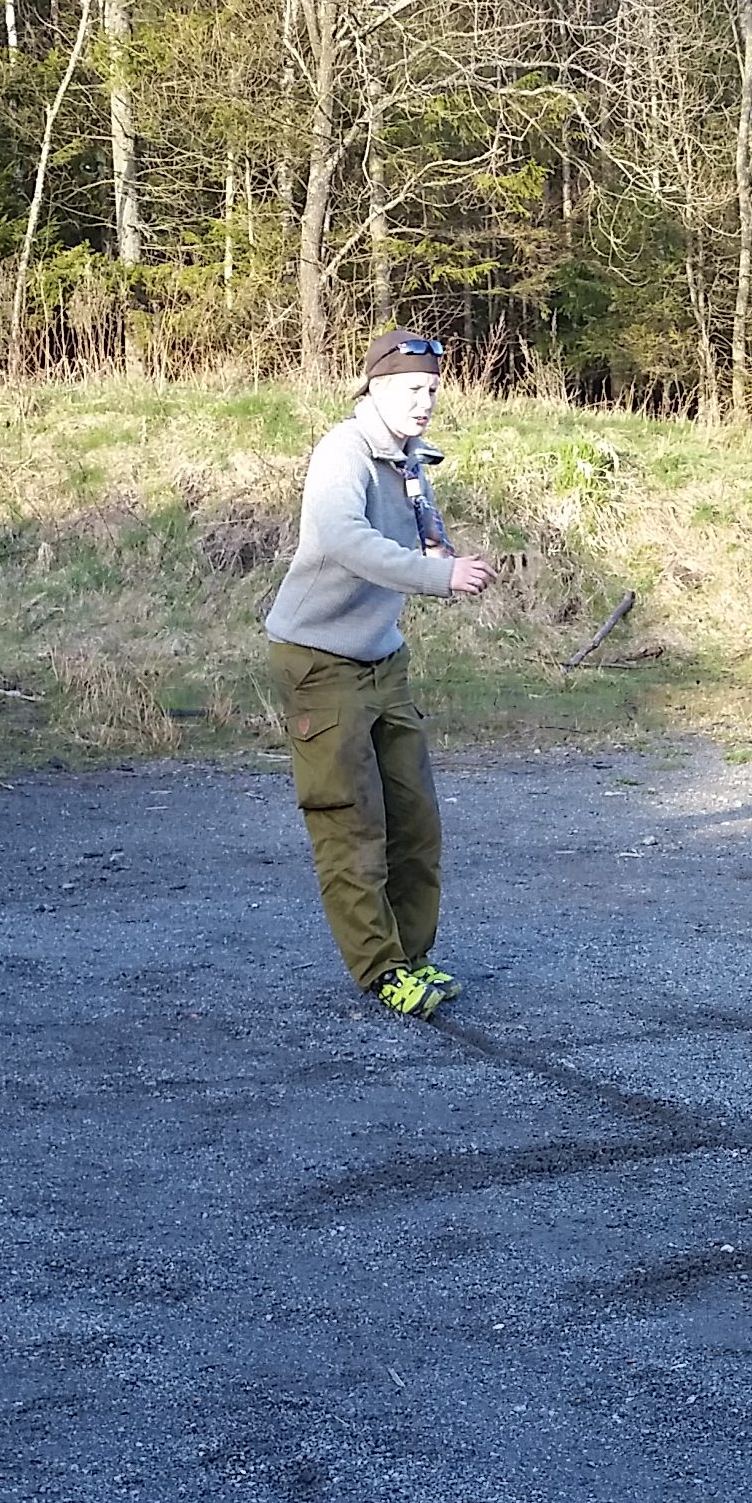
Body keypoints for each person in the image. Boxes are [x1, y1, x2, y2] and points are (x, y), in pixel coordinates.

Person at [266, 327, 494, 1018]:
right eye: (413, 389)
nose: (426, 401)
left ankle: (414, 956)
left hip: (383, 659)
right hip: (319, 661)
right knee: (351, 824)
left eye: (433, 389)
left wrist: (439, 552)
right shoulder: (344, 451)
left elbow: (420, 532)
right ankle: (381, 970)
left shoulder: (410, 459)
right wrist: (435, 575)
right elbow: (344, 538)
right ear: (376, 388)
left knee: (415, 822)